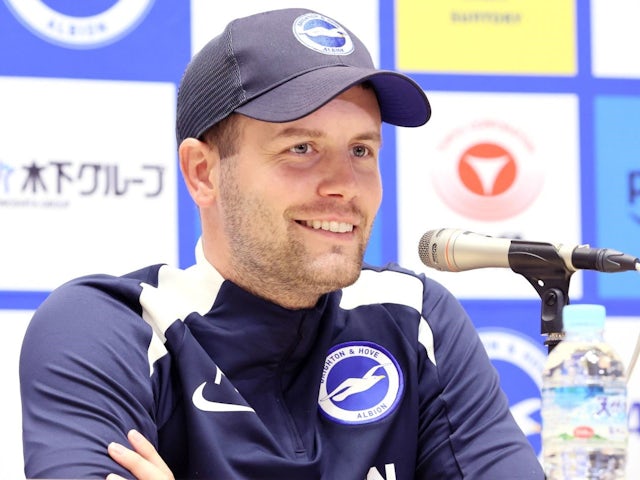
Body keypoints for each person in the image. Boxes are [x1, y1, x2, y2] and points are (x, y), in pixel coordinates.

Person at [19, 7, 544, 480]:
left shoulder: (415, 316)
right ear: (203, 172)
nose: (344, 183)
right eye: (301, 147)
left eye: (361, 150)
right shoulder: (115, 326)